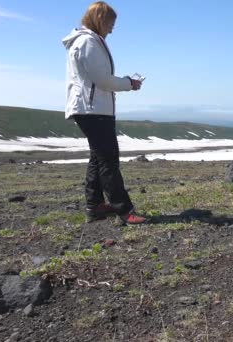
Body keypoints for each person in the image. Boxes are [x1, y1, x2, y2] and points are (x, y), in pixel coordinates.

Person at [62, 1, 147, 225]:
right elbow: (102, 80)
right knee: (108, 159)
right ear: (100, 19)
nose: (112, 28)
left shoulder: (86, 41)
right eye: (110, 23)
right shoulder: (88, 42)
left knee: (98, 157)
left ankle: (96, 205)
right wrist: (129, 83)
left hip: (91, 108)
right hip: (93, 109)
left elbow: (98, 79)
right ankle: (124, 210)